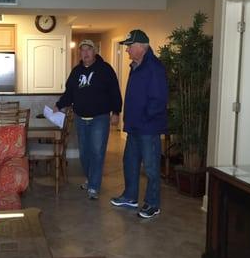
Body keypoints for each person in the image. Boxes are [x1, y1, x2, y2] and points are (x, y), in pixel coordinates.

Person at [110, 29, 168, 219]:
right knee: (130, 162)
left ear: (142, 47)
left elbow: (159, 100)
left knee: (151, 168)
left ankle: (153, 204)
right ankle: (130, 196)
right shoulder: (135, 65)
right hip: (134, 126)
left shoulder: (154, 67)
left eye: (129, 46)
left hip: (148, 127)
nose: (127, 50)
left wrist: (144, 118)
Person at [55, 39, 122, 199]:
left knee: (97, 152)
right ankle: (90, 179)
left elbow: (114, 91)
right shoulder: (76, 71)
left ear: (95, 51)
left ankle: (93, 187)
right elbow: (69, 93)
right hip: (80, 118)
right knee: (84, 154)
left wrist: (116, 112)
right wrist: (59, 105)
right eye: (82, 50)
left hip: (100, 118)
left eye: (88, 49)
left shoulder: (105, 69)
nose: (85, 53)